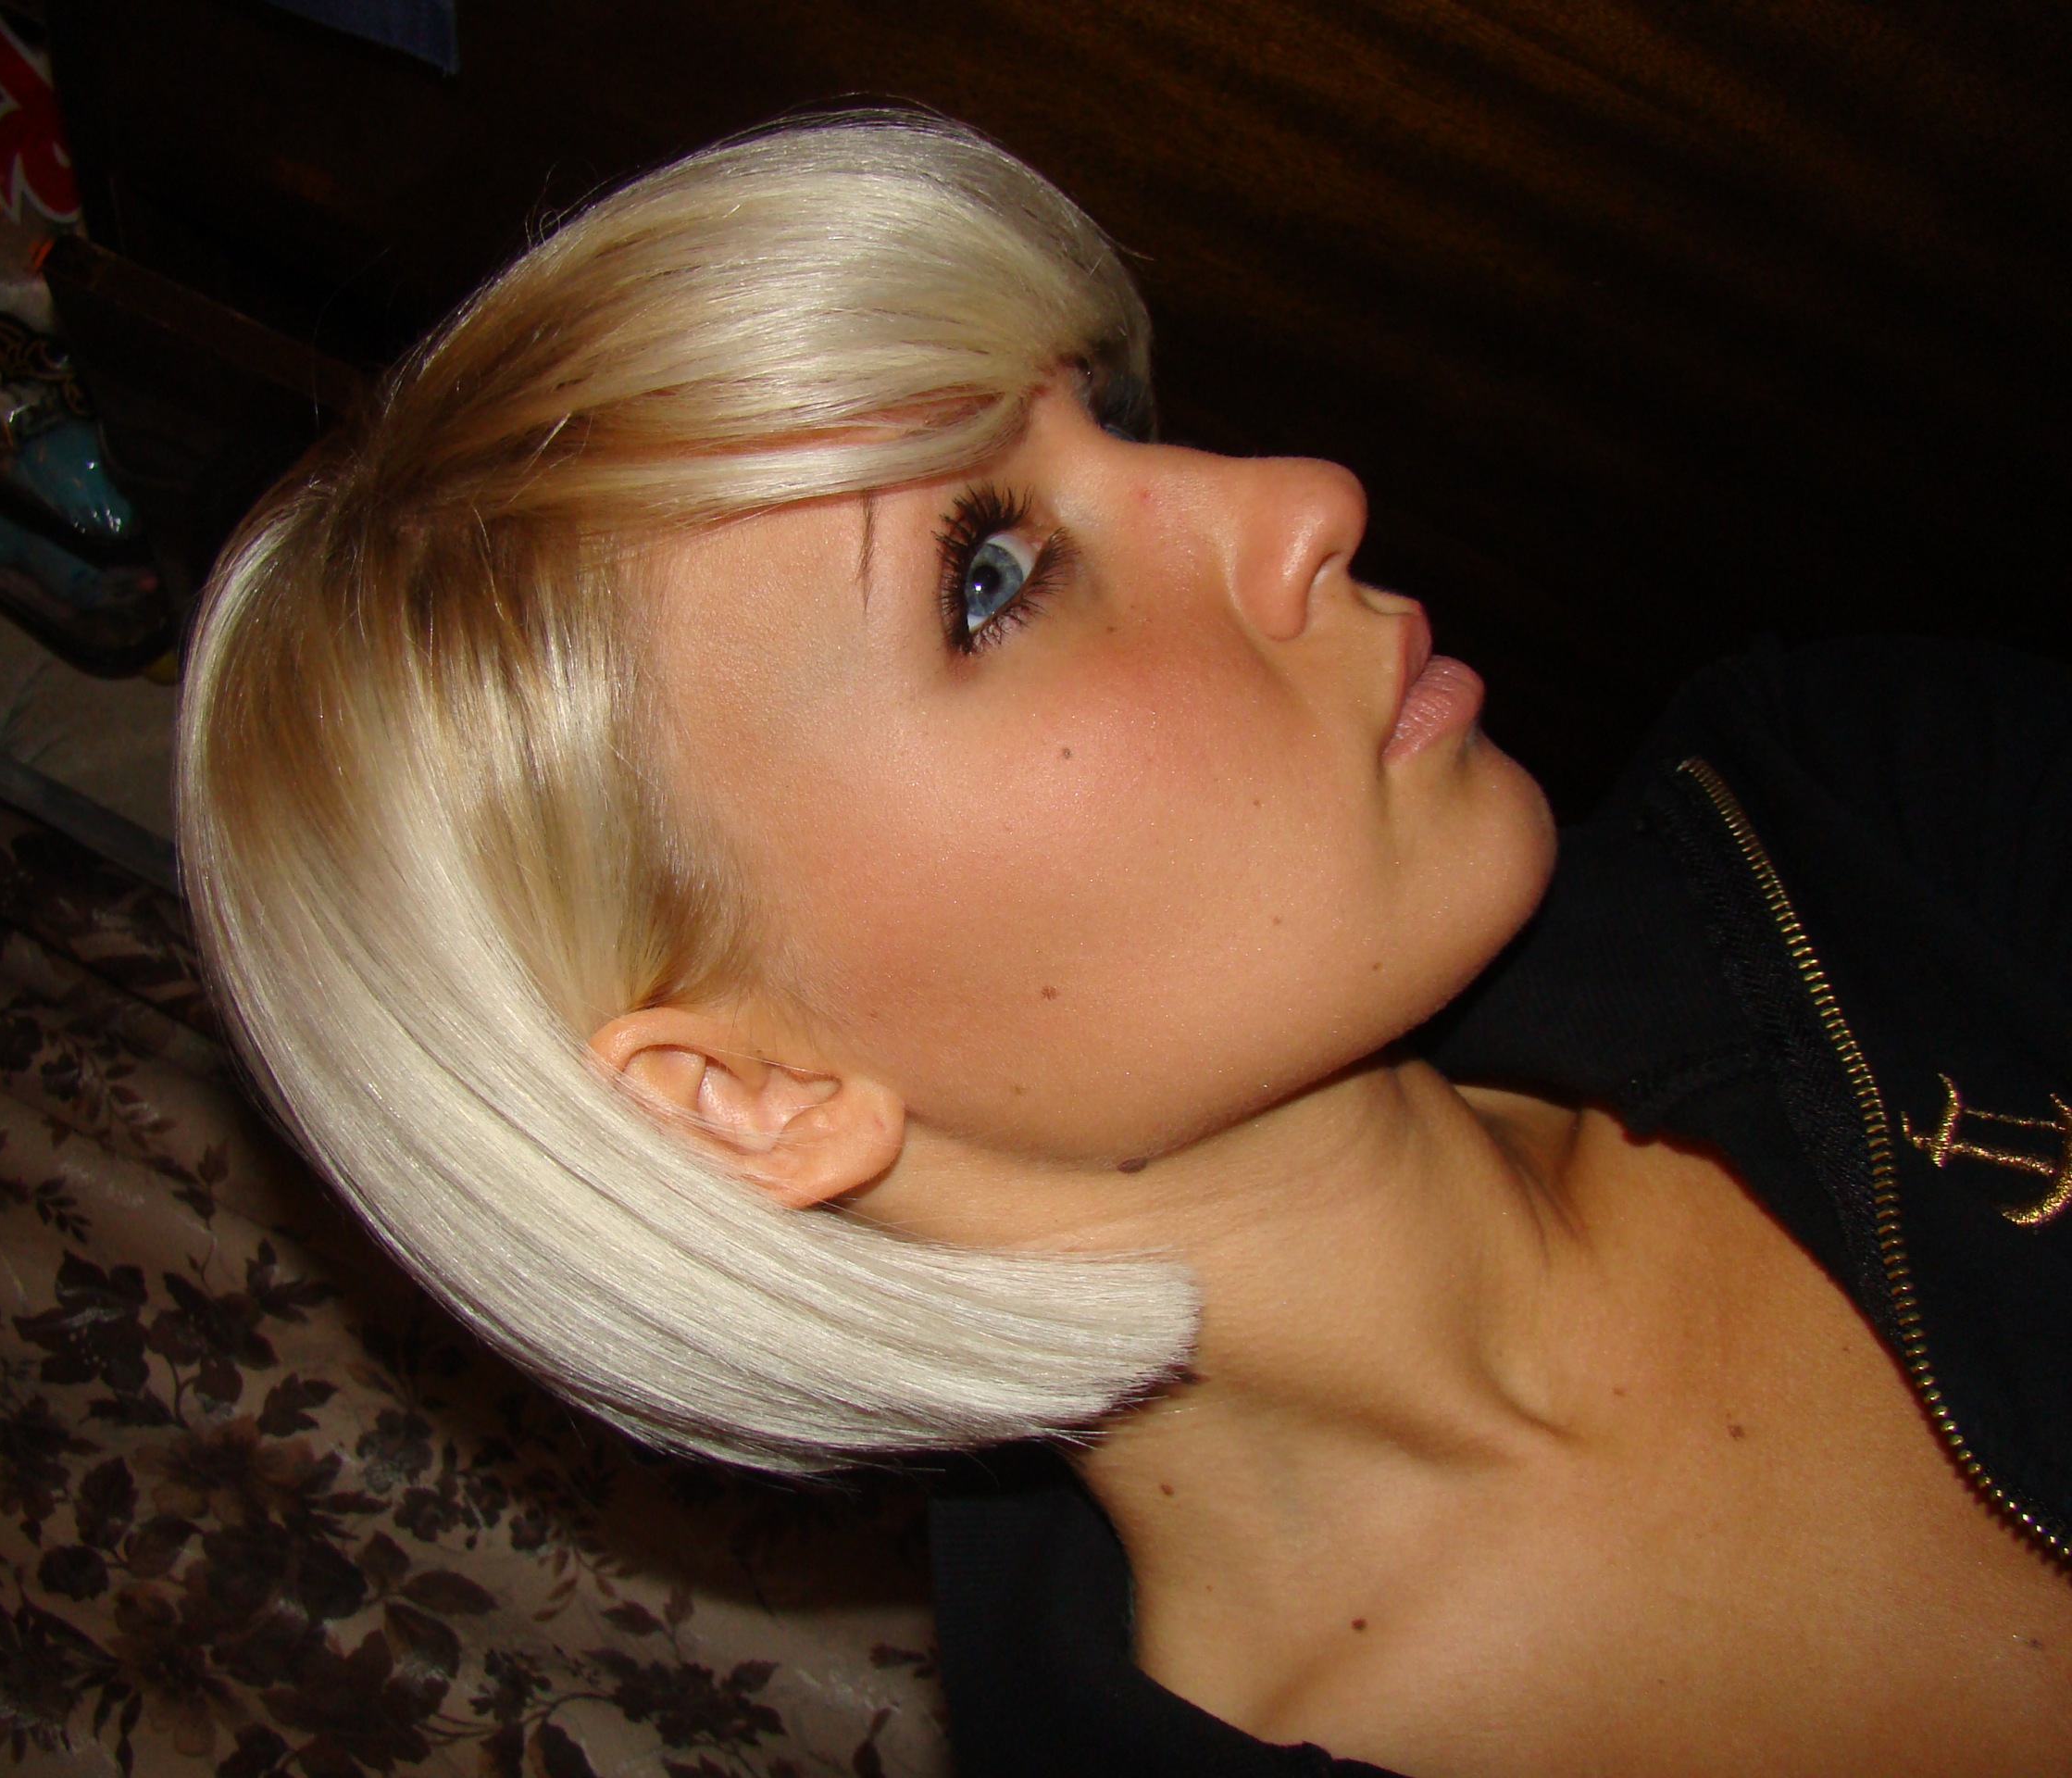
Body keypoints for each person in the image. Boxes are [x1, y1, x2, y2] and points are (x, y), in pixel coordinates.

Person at [174, 114, 2072, 1774]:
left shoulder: (1873, 819)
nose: (1304, 500)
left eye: (1121, 420)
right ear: (745, 1095)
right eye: (992, 580)